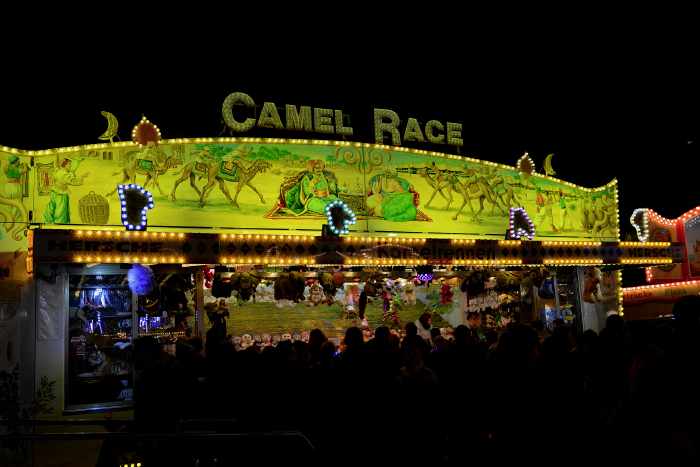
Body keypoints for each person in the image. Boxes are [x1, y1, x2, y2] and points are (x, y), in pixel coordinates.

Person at [43, 156, 89, 224]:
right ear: (65, 165)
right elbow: (74, 181)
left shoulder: (58, 171)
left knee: (51, 209)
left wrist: (77, 162)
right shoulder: (64, 175)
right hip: (61, 196)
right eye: (69, 164)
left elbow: (72, 171)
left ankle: (49, 222)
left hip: (54, 193)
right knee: (61, 213)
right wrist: (82, 177)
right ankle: (59, 226)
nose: (70, 166)